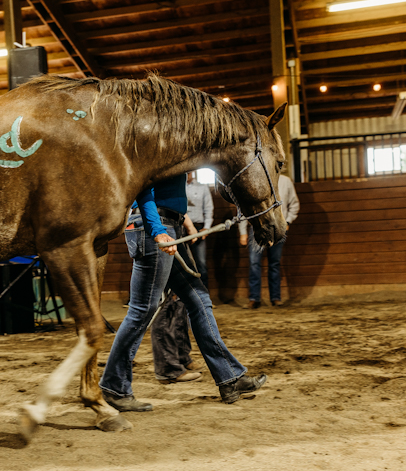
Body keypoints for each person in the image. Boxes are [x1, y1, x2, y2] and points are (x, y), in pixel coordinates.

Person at [99, 174, 267, 412]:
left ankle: (230, 379)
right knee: (141, 310)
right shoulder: (158, 141)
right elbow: (142, 185)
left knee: (199, 301)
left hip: (171, 224)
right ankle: (114, 387)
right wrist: (157, 229)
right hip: (155, 226)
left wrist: (182, 219)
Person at [239, 173, 300, 309]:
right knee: (254, 263)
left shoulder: (285, 181)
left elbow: (294, 204)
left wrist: (288, 221)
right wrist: (243, 232)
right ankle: (254, 298)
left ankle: (275, 297)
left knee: (274, 263)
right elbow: (244, 208)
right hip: (257, 227)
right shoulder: (254, 179)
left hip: (277, 227)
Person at [185, 171, 214, 287]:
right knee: (182, 263)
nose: (188, 174)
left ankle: (204, 296)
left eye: (189, 171)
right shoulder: (178, 188)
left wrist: (206, 227)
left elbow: (208, 208)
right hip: (181, 228)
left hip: (198, 228)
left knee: (201, 263)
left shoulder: (202, 187)